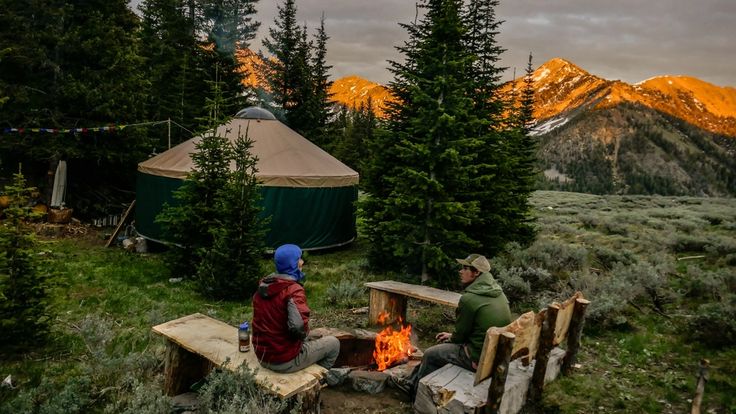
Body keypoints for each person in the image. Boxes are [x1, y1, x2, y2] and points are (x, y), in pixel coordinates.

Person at [398, 253, 512, 397]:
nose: (460, 271)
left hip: (476, 358)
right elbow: (476, 329)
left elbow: (460, 337)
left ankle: (415, 393)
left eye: (465, 268)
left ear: (476, 273)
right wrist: (453, 336)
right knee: (440, 349)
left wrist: (452, 338)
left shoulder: (470, 299)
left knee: (430, 354)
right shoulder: (498, 293)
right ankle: (410, 381)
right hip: (492, 352)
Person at [251, 244, 340, 373]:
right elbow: (299, 328)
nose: (302, 262)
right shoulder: (293, 290)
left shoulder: (264, 287)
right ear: (293, 264)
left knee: (314, 336)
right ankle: (319, 377)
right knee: (333, 344)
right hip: (284, 361)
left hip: (263, 355)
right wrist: (304, 336)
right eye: (299, 259)